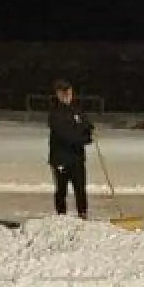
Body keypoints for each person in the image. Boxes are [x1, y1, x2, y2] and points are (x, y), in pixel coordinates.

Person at [47, 79, 93, 218]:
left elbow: (87, 125)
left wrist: (89, 131)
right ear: (58, 94)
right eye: (64, 93)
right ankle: (61, 216)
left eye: (70, 92)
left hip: (77, 158)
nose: (68, 95)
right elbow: (66, 135)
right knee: (61, 190)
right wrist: (85, 139)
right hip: (61, 158)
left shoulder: (77, 109)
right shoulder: (55, 113)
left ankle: (82, 214)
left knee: (80, 188)